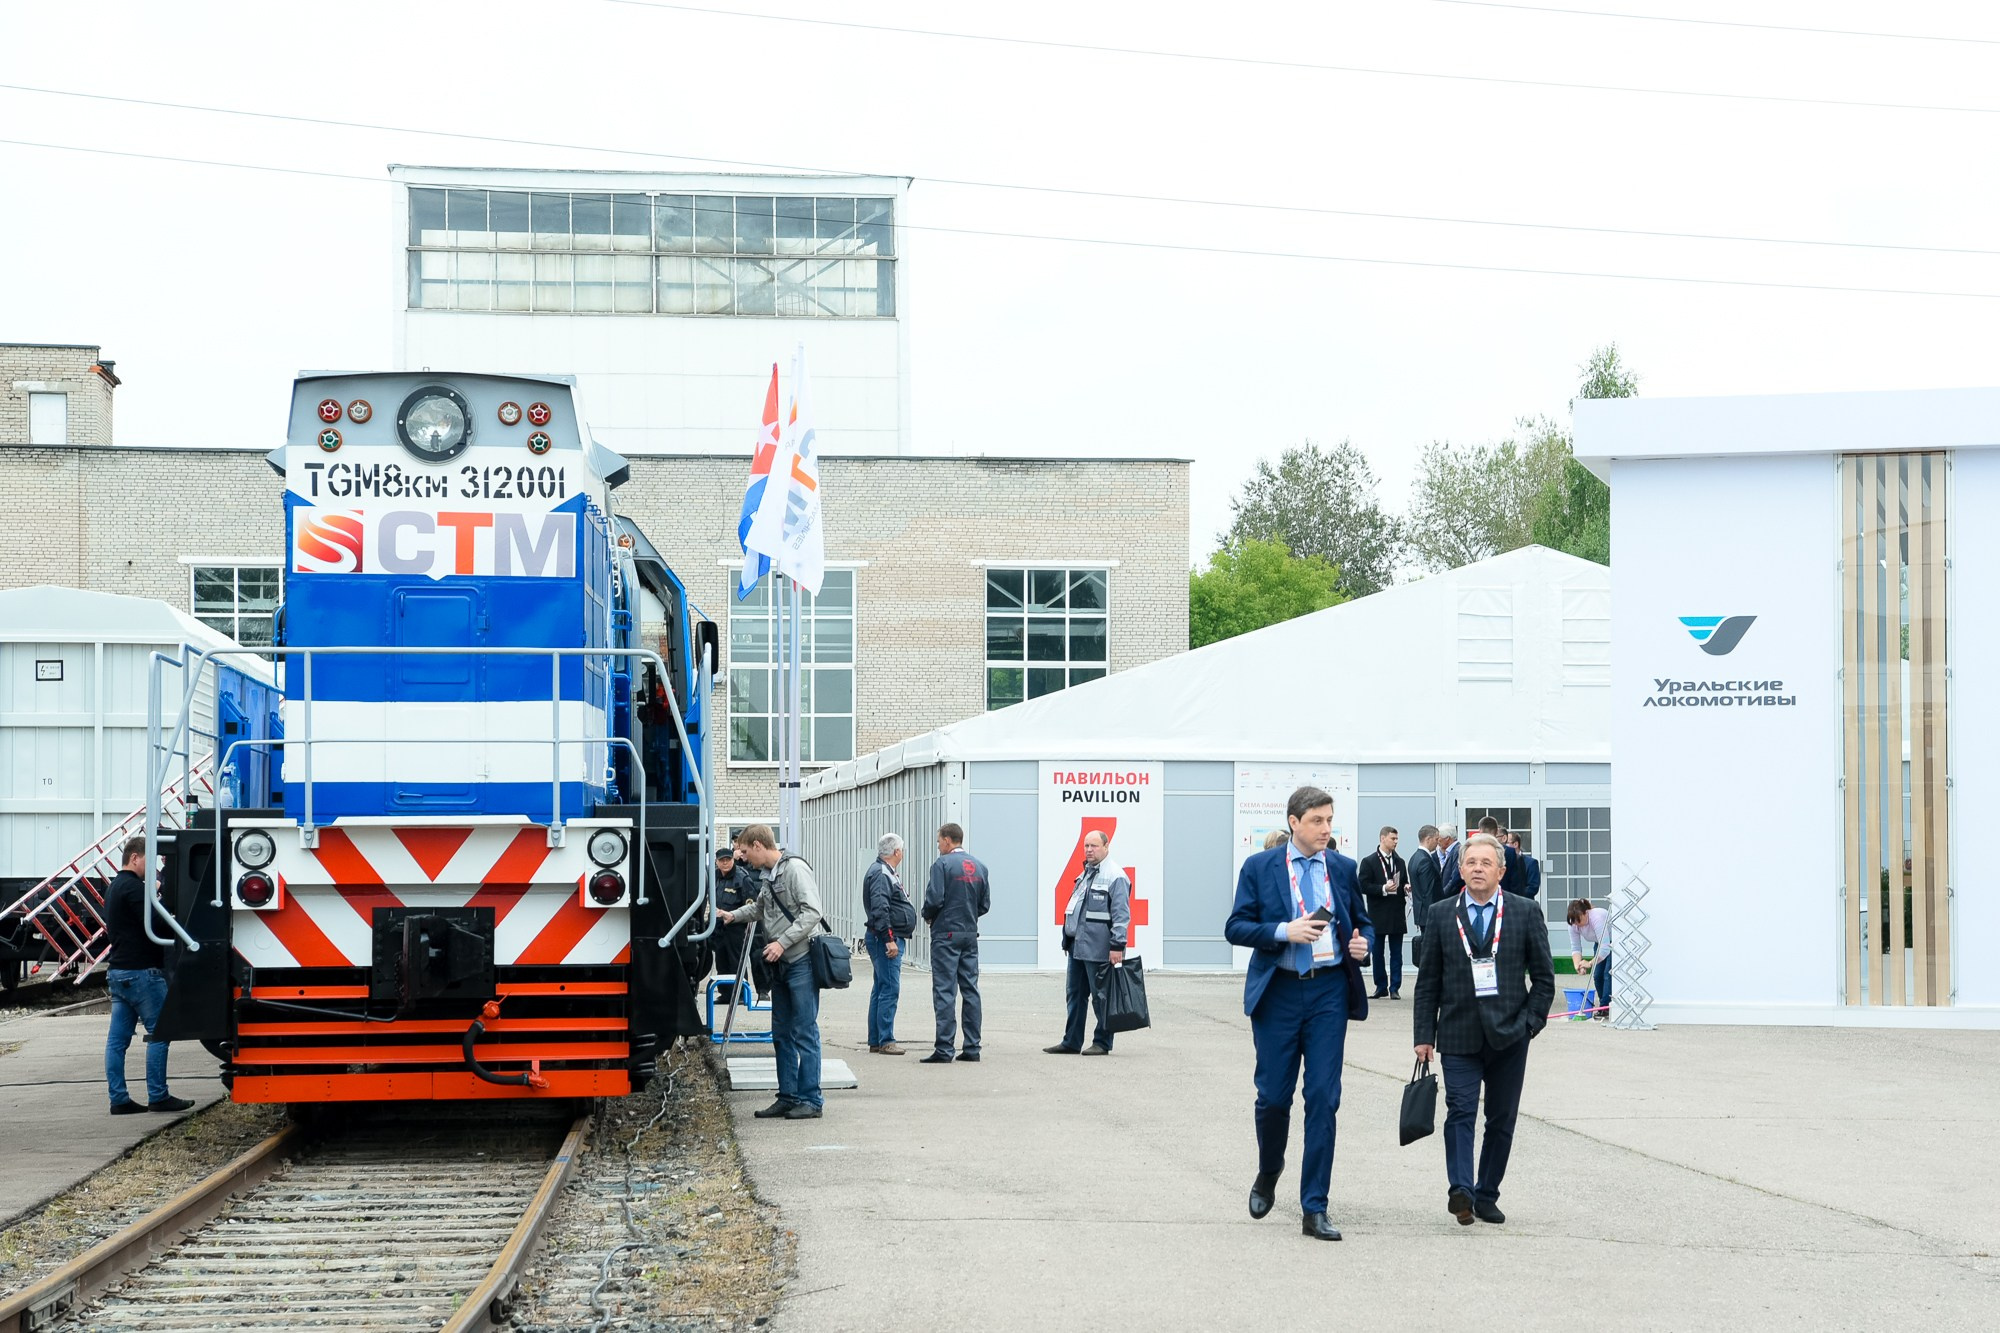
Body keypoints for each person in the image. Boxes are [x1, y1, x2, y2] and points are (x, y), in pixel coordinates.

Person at [1222, 786, 1374, 1242]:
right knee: (1272, 1097)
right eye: (1318, 821)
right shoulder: (1260, 867)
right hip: (1279, 994)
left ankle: (1315, 1207)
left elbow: (1361, 921)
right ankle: (1270, 1169)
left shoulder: (1343, 869)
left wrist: (1361, 944)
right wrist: (1282, 931)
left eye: (1330, 820)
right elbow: (1235, 927)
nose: (1327, 829)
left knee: (1324, 1098)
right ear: (1294, 822)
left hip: (1328, 991)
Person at [1413, 833, 1555, 1226]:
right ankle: (1461, 1190)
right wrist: (1424, 1036)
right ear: (1460, 869)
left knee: (1500, 1118)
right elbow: (1427, 983)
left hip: (1511, 1035)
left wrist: (1530, 1024)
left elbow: (1544, 979)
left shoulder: (1525, 912)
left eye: (1485, 863)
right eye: (1471, 862)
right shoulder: (1441, 914)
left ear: (1501, 870)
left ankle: (1487, 1192)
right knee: (1459, 1110)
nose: (1477, 868)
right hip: (1458, 1035)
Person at [718, 825, 826, 1120]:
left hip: (800, 961)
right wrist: (732, 915)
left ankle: (811, 1100)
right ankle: (788, 1097)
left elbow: (812, 912)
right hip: (781, 964)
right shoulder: (769, 875)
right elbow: (760, 910)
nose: (742, 858)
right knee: (781, 1034)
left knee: (804, 1031)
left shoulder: (794, 870)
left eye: (744, 851)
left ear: (757, 845)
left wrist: (782, 942)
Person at [104, 836, 193, 1115]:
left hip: (118, 973)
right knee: (160, 1033)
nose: (151, 867)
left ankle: (118, 1099)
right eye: (148, 860)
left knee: (117, 1042)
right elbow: (157, 925)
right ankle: (158, 1095)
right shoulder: (134, 888)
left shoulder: (114, 888)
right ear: (134, 858)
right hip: (142, 973)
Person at [1045, 829, 1130, 1056]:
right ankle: (1071, 1041)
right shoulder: (1085, 874)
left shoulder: (1115, 876)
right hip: (1078, 947)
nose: (1089, 850)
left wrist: (1117, 946)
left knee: (1101, 998)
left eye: (1094, 846)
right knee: (1074, 995)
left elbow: (1121, 915)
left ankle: (1102, 1042)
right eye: (1086, 846)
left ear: (1106, 846)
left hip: (1100, 949)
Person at [920, 823, 990, 1064]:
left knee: (945, 990)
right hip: (969, 934)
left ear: (948, 841)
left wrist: (927, 914)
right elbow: (984, 905)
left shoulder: (941, 865)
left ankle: (944, 1048)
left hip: (946, 934)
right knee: (971, 989)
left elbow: (934, 899)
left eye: (939, 841)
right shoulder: (980, 867)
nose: (938, 845)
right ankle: (972, 1047)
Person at [861, 833, 912, 1054]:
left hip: (882, 937)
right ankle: (886, 1040)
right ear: (896, 852)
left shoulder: (883, 871)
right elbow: (880, 908)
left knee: (881, 986)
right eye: (902, 850)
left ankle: (876, 1039)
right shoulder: (882, 874)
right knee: (889, 988)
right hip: (885, 940)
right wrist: (889, 939)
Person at [1356, 826, 1410, 999]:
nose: (1396, 842)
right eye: (1393, 838)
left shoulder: (1400, 861)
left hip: (1396, 913)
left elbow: (1404, 881)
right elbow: (1362, 885)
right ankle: (1381, 986)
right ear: (1382, 838)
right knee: (1377, 952)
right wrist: (1383, 888)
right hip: (1377, 914)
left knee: (1396, 953)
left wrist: (1406, 887)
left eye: (1396, 839)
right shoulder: (1369, 861)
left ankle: (1395, 987)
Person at [711, 841, 758, 1000]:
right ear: (716, 862)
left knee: (736, 961)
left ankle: (740, 994)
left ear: (733, 860)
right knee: (721, 960)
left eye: (728, 860)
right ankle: (725, 993)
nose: (725, 863)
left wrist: (739, 921)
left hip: (736, 927)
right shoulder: (714, 877)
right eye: (721, 860)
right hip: (719, 926)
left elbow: (751, 905)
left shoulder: (742, 878)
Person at [1447, 817, 1523, 895]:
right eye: (1472, 862)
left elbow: (1456, 880)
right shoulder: (1510, 852)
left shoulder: (1470, 850)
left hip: (1477, 895)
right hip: (1505, 899)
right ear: (1497, 831)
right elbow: (1516, 883)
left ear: (1480, 830)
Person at [1567, 898, 1612, 1020]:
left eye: (1579, 920)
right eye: (1574, 921)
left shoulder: (1597, 918)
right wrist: (1578, 965)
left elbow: (1605, 948)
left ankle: (1605, 1006)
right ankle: (1604, 1004)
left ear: (1585, 913)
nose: (1577, 924)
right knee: (1597, 976)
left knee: (1608, 974)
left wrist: (1590, 963)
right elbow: (1575, 947)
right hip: (1599, 943)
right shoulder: (1573, 924)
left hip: (1612, 942)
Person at [1407, 825, 1444, 956]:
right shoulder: (1424, 860)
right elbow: (1428, 891)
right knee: (1431, 951)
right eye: (1436, 839)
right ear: (1428, 839)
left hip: (1422, 913)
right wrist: (1435, 915)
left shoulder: (1414, 858)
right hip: (1429, 914)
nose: (1438, 842)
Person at [1510, 832, 1543, 901]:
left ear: (1515, 844)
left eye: (1507, 842)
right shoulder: (1503, 863)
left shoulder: (1531, 863)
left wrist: (1513, 894)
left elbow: (1533, 887)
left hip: (1525, 904)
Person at [1435, 823, 1460, 897]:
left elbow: (1455, 879)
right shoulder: (1447, 852)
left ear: (1447, 838)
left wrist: (1442, 895)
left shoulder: (1458, 852)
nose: (1437, 841)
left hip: (1452, 898)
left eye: (1438, 838)